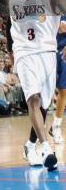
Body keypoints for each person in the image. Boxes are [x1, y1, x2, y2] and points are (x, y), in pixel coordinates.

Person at [8, 0, 65, 170]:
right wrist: (10, 51)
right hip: (24, 52)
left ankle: (30, 144)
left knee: (43, 105)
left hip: (48, 53)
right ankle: (46, 147)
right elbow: (10, 24)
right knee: (33, 99)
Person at [50, 14, 66, 144]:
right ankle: (35, 133)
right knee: (41, 94)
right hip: (48, 51)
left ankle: (56, 126)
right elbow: (61, 27)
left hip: (62, 53)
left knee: (64, 91)